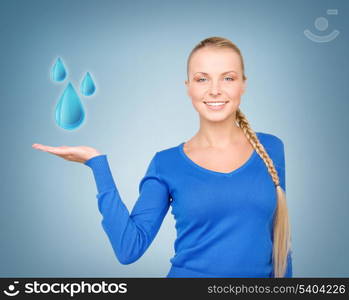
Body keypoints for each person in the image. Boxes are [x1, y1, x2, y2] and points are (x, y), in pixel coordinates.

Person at [32, 36, 293, 278]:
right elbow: (129, 248)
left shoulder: (271, 148)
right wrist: (97, 164)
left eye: (228, 78)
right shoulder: (166, 164)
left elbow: (281, 244)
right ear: (188, 87)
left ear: (243, 85)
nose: (215, 90)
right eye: (202, 79)